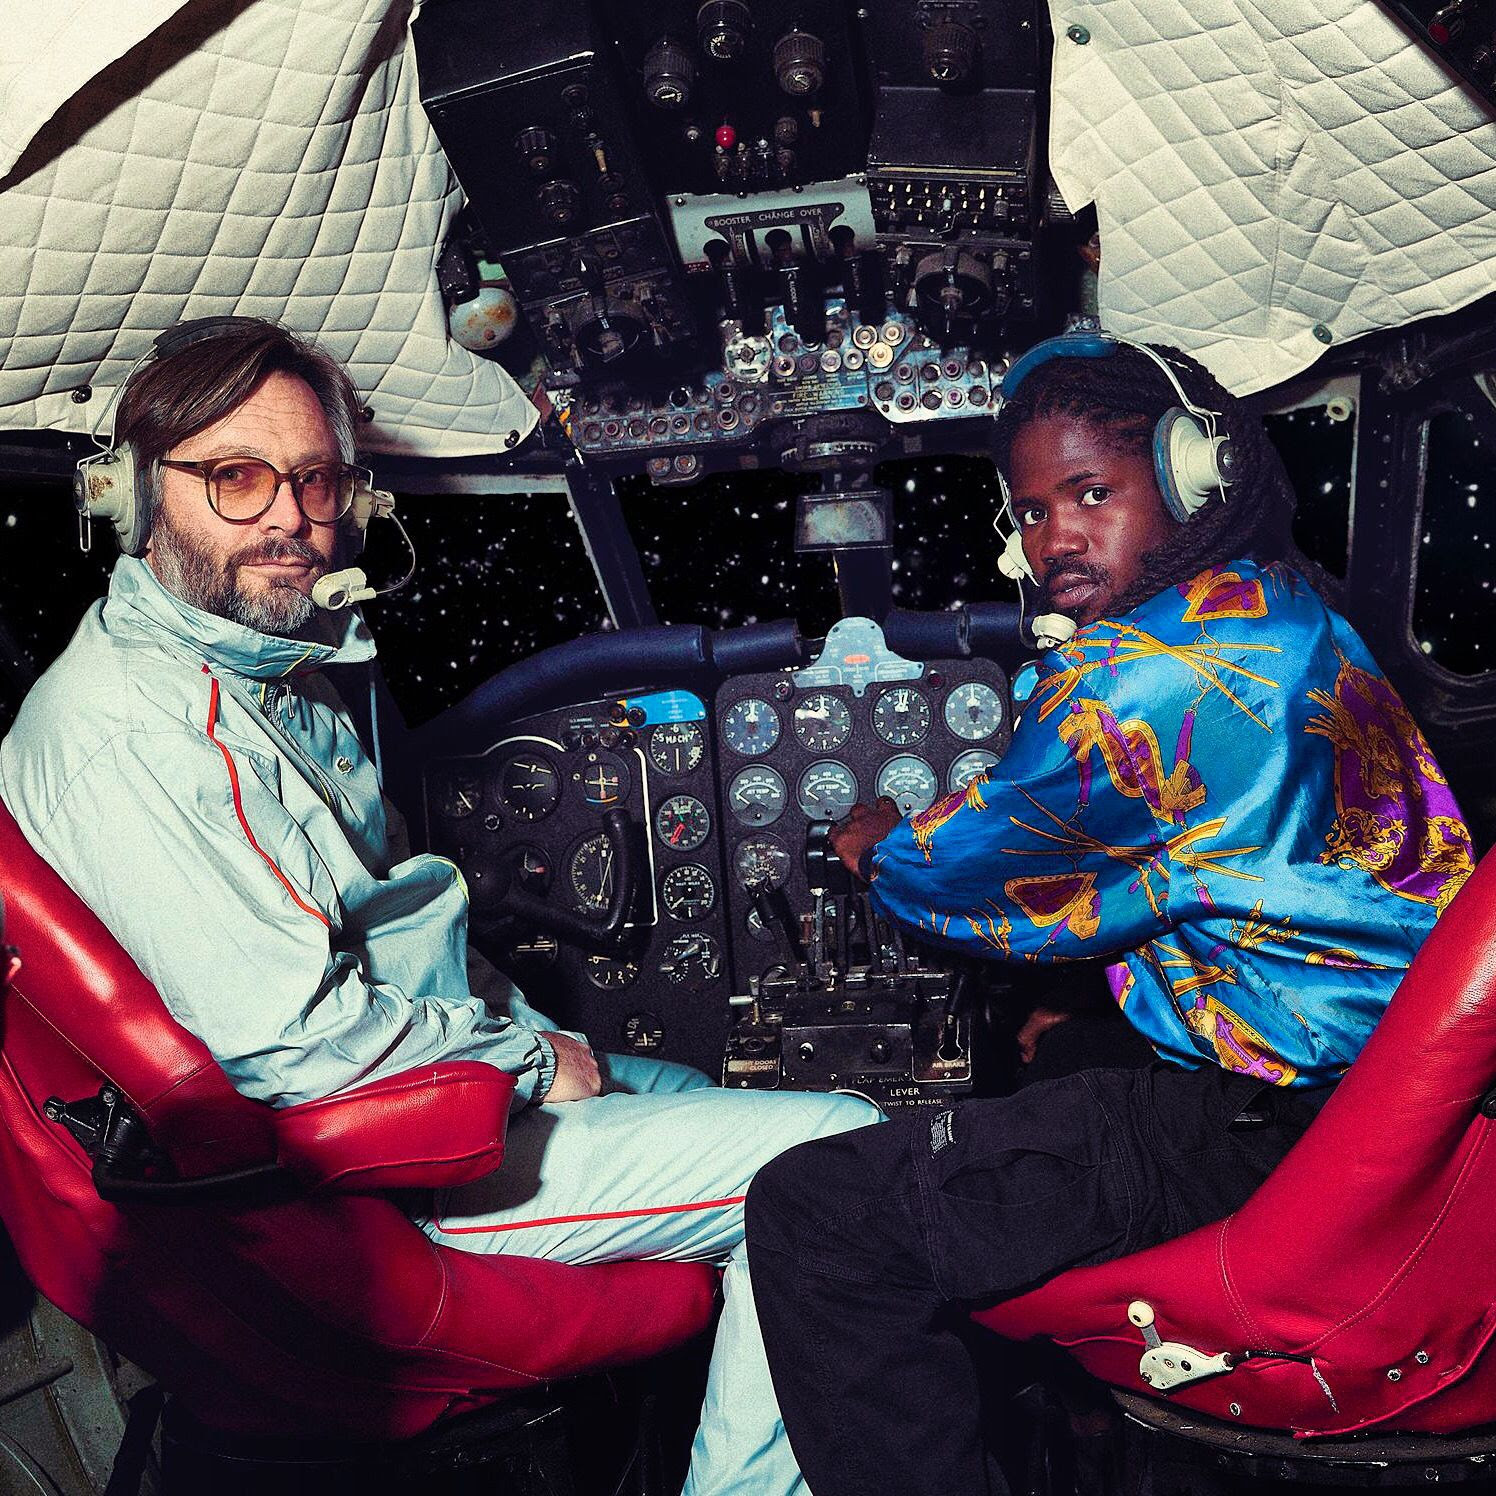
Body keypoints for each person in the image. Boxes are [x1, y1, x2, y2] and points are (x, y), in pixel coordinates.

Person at [0, 317, 880, 1496]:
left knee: (690, 1084)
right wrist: (526, 1057)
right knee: (839, 1155)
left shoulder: (259, 675)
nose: (288, 518)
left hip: (409, 1105)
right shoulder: (143, 733)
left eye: (315, 479)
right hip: (380, 1171)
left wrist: (526, 1040)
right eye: (236, 477)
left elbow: (389, 925)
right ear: (134, 494)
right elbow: (290, 1048)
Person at [745, 333, 1475, 1496]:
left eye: (1091, 493)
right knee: (1051, 1051)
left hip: (1270, 1129)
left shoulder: (1127, 678)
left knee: (811, 1211)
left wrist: (876, 841)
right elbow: (1176, 878)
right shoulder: (1287, 607)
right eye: (1033, 510)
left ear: (1190, 475)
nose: (1054, 540)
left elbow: (973, 881)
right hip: (1393, 1101)